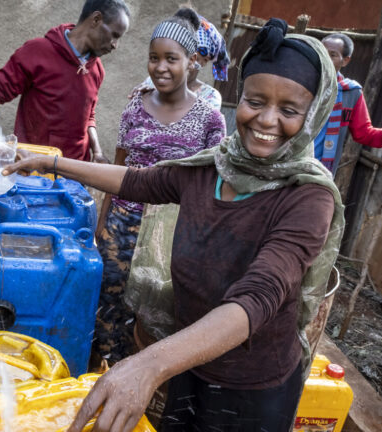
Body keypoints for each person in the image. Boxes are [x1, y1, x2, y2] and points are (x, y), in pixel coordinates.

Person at [4, 18, 345, 432]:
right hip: (189, 361)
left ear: (313, 115)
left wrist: (149, 363)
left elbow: (260, 294)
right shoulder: (211, 169)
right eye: (256, 101)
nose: (267, 120)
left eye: (289, 110)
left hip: (252, 386)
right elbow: (136, 179)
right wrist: (52, 162)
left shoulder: (307, 197)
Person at [92, 7, 226, 369]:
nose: (161, 67)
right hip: (122, 223)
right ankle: (106, 369)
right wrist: (102, 226)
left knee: (158, 313)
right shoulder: (136, 103)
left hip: (172, 232)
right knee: (108, 304)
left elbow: (214, 186)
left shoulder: (211, 119)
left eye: (171, 58)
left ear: (191, 61)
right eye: (154, 58)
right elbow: (119, 166)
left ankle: (147, 377)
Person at [0, 0, 131, 162]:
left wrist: (98, 152)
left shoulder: (97, 69)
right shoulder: (37, 51)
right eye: (114, 35)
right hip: (34, 169)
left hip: (75, 173)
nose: (115, 45)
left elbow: (89, 115)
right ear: (96, 19)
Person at [317, 32, 382, 175]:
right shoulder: (300, 83)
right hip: (287, 162)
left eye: (332, 55)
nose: (324, 58)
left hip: (319, 172)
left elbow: (364, 133)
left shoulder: (351, 93)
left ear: (345, 61)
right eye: (321, 52)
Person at [129, 14, 230, 110]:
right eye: (172, 58)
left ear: (204, 61)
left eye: (190, 58)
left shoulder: (209, 96)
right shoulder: (151, 83)